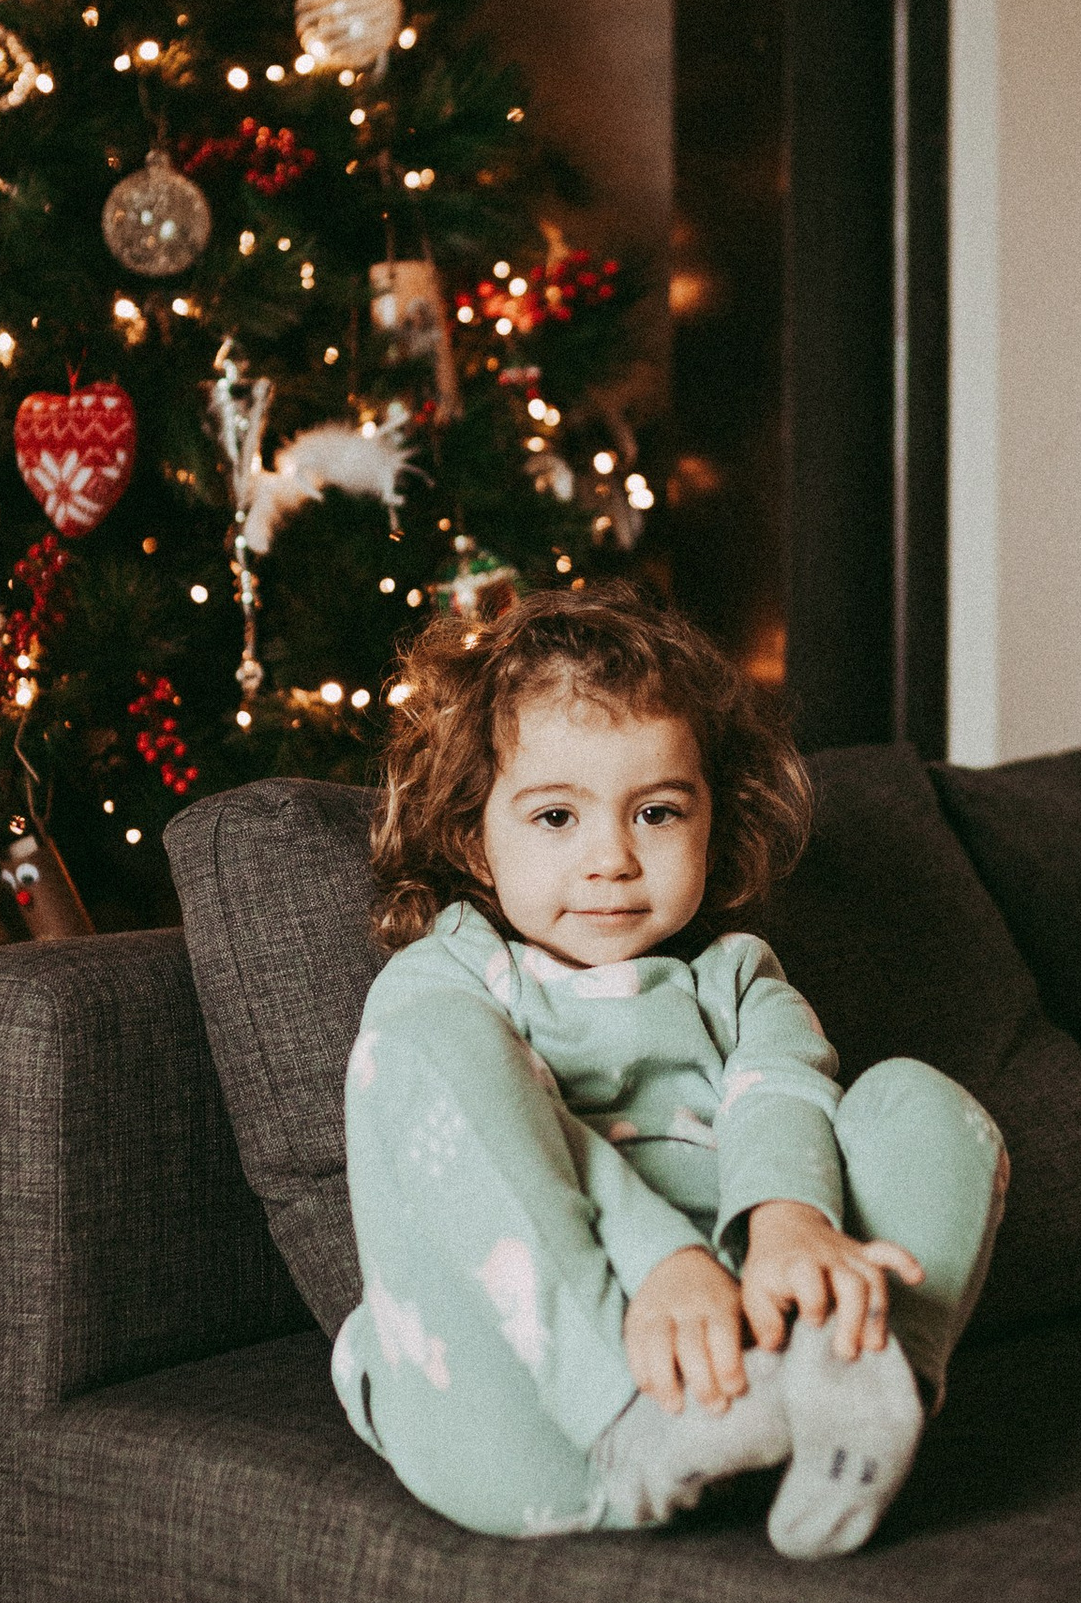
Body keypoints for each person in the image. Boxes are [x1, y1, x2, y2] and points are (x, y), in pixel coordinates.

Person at [333, 586, 1008, 1552]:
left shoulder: (735, 980)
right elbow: (497, 1127)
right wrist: (669, 1263)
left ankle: (859, 1382)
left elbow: (785, 1099)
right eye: (557, 817)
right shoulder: (447, 985)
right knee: (431, 1055)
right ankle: (637, 1417)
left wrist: (791, 1225)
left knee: (920, 1100)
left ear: (712, 825)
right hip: (540, 1428)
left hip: (753, 1371)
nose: (611, 857)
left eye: (654, 813)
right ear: (472, 836)